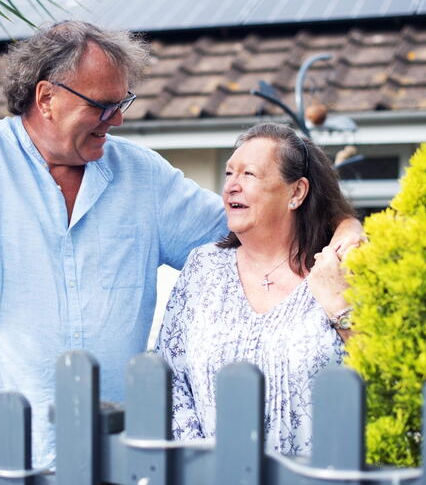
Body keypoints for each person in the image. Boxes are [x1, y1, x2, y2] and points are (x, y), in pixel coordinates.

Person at [0, 21, 361, 467]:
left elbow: (258, 227)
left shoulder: (143, 176)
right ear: (46, 97)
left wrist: (344, 229)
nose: (119, 119)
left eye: (123, 102)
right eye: (104, 105)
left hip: (109, 453)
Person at [153, 122, 356, 457]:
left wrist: (342, 307)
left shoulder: (338, 270)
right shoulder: (203, 267)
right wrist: (204, 467)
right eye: (229, 173)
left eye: (249, 174)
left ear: (296, 193)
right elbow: (169, 375)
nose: (232, 186)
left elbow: (382, 373)